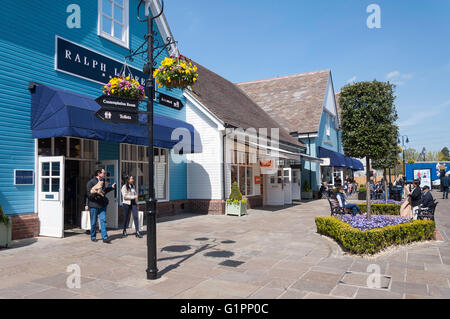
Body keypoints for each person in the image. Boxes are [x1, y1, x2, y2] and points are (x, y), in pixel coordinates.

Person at [85, 169, 116, 243]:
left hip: (102, 205)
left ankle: (105, 238)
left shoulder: (103, 181)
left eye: (105, 173)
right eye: (103, 173)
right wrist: (96, 193)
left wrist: (111, 187)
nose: (104, 174)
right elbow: (88, 195)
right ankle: (93, 236)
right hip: (94, 205)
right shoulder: (91, 182)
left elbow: (104, 192)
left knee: (103, 221)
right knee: (93, 222)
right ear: (98, 173)